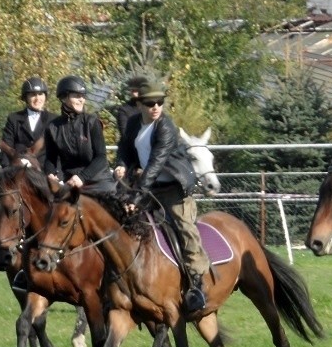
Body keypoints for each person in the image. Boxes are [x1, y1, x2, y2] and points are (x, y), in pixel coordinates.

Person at [113, 80, 210, 313]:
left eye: (160, 102)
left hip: (171, 189)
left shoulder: (166, 127)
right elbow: (125, 148)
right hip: (147, 186)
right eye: (150, 103)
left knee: (184, 228)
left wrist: (135, 198)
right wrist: (121, 164)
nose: (156, 107)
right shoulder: (135, 122)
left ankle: (197, 285)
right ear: (140, 104)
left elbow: (155, 165)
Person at [43, 75, 116, 194]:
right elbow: (50, 158)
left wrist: (82, 177)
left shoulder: (92, 122)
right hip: (72, 184)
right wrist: (49, 173)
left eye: (83, 96)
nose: (81, 100)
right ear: (63, 98)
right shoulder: (52, 128)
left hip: (99, 182)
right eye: (77, 96)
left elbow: (101, 157)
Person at [0, 76, 57, 168]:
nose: (38, 98)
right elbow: (7, 146)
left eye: (41, 94)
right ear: (25, 97)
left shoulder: (54, 119)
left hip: (44, 170)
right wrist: (7, 169)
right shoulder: (14, 119)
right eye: (33, 94)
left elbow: (58, 150)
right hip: (19, 169)